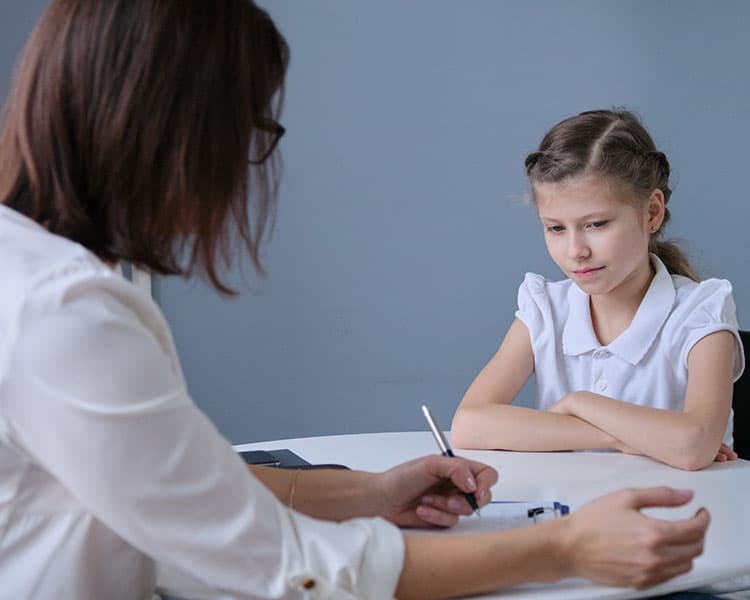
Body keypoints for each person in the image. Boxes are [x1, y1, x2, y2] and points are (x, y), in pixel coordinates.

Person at [0, 4, 711, 599]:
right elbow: (286, 565)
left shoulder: (32, 274)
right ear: (174, 132)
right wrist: (565, 547)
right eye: (249, 134)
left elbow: (186, 483)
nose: (247, 172)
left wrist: (374, 493)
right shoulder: (65, 311)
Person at [452, 109, 745, 472]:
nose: (576, 251)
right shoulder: (546, 310)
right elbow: (469, 425)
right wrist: (617, 436)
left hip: (681, 517)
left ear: (651, 212)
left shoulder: (702, 312)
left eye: (596, 224)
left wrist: (579, 402)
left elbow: (694, 446)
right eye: (556, 228)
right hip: (577, 517)